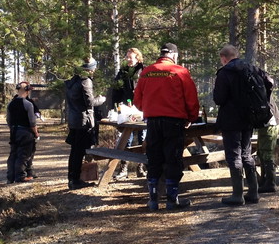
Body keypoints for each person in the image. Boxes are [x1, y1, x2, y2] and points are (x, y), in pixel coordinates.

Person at [133, 43, 201, 211]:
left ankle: (153, 200)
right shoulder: (180, 71)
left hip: (153, 122)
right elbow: (191, 99)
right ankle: (171, 200)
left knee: (154, 159)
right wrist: (191, 117)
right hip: (174, 122)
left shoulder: (147, 72)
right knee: (173, 159)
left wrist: (149, 109)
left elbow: (137, 101)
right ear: (174, 55)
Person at [213, 44, 268, 205]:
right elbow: (268, 84)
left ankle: (237, 195)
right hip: (249, 119)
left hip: (231, 120)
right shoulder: (251, 68)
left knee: (234, 156)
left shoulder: (225, 73)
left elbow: (219, 99)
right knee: (246, 154)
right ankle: (253, 192)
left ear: (224, 58)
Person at [65, 58, 106, 190]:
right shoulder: (85, 81)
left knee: (74, 151)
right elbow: (90, 102)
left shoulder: (72, 81)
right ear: (91, 69)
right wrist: (101, 99)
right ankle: (76, 180)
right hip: (83, 121)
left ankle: (72, 178)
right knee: (79, 151)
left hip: (74, 119)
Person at [111, 47, 145, 180]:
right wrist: (116, 106)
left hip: (141, 108)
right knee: (126, 137)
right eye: (127, 57)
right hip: (126, 108)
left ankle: (140, 167)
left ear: (137, 58)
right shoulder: (123, 71)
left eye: (130, 57)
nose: (128, 59)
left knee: (143, 137)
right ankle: (123, 168)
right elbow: (116, 89)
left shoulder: (144, 70)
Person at [6, 81, 39, 184]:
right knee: (24, 155)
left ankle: (10, 177)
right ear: (27, 91)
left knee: (13, 154)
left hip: (14, 131)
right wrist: (36, 133)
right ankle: (20, 176)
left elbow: (8, 120)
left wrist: (12, 129)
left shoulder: (10, 104)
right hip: (26, 132)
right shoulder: (28, 104)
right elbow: (32, 122)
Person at [256, 86, 279, 194]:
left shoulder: (260, 85)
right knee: (261, 152)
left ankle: (270, 183)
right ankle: (264, 180)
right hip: (265, 123)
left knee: (267, 153)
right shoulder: (258, 84)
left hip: (269, 122)